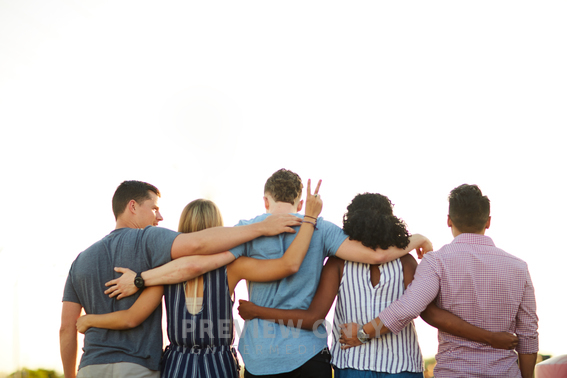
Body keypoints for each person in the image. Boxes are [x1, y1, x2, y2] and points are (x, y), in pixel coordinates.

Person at [238, 193, 519, 377]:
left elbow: (313, 317)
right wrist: (489, 336)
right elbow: (429, 314)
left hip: (353, 365)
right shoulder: (406, 262)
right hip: (403, 366)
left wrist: (257, 311)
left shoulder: (338, 264)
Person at [75, 179, 324, 378]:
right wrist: (309, 220)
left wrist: (91, 320)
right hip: (218, 365)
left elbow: (133, 317)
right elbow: (285, 266)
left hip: (177, 365)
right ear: (218, 228)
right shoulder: (233, 267)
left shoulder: (164, 269)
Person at [228, 169, 434, 377]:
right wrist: (419, 239)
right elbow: (377, 257)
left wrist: (255, 311)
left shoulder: (246, 230)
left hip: (264, 356)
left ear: (265, 201)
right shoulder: (323, 230)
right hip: (314, 355)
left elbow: (219, 272)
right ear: (300, 204)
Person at [339, 184, 539, 378]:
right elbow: (528, 334)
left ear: (449, 220)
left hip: (454, 372)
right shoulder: (519, 268)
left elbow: (409, 307)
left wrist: (363, 333)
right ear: (488, 221)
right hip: (504, 372)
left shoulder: (437, 261)